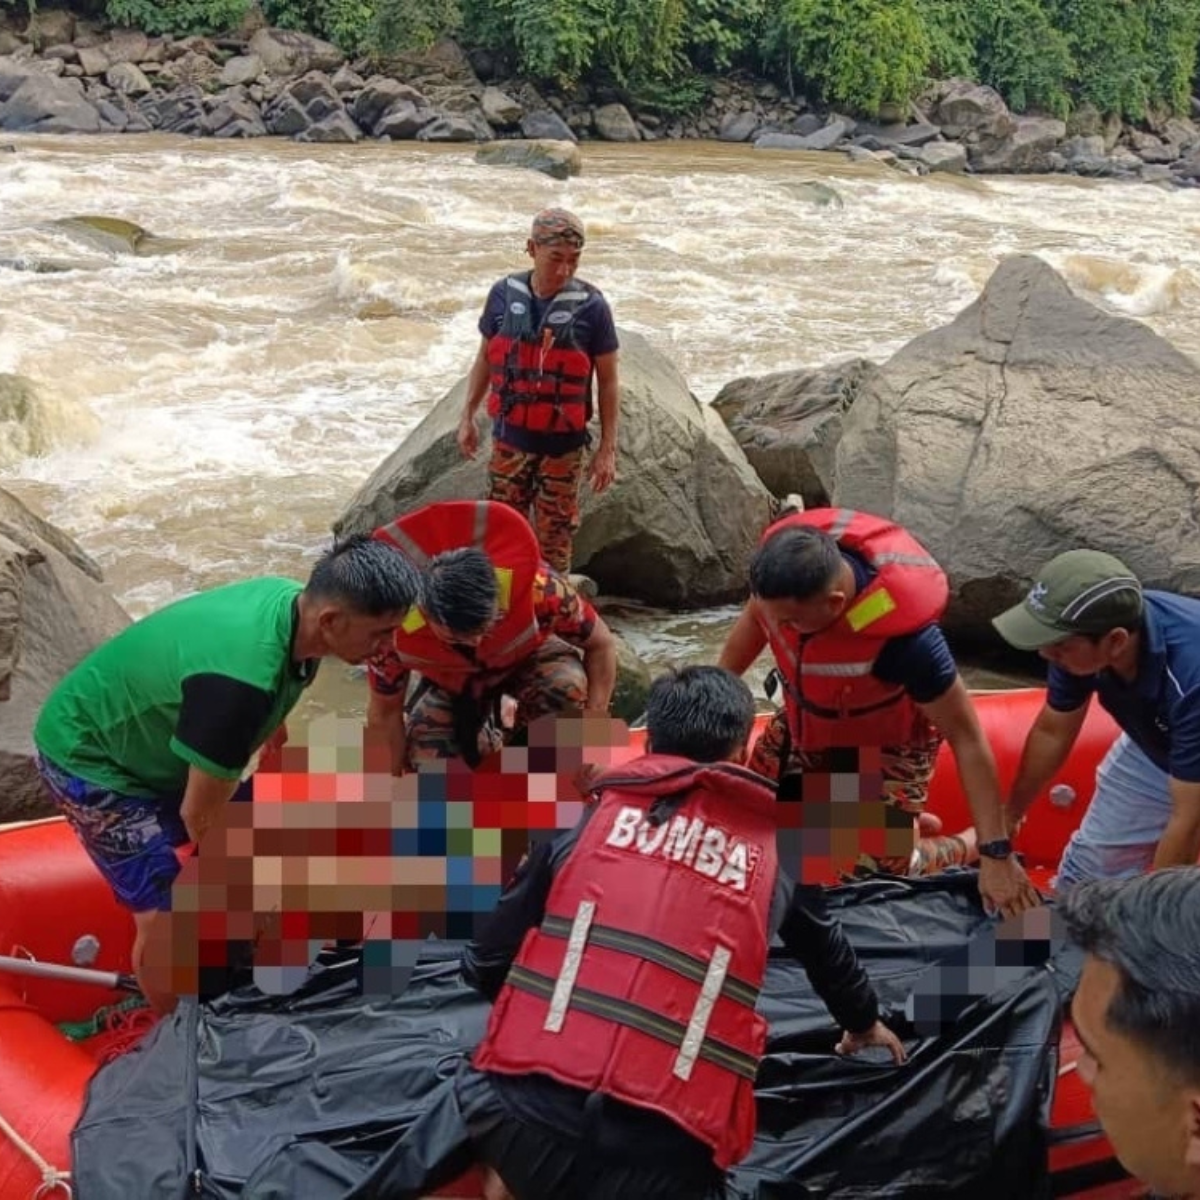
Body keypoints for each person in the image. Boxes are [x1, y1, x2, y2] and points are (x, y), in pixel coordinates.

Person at [453, 664, 906, 1200]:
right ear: (740, 752)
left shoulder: (577, 829)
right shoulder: (781, 850)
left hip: (522, 1122)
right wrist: (862, 1022)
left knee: (506, 1151)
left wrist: (545, 1005)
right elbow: (824, 949)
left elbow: (483, 965)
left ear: (653, 743)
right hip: (664, 1163)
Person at [32, 536, 424, 1012]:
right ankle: (171, 1055)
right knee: (164, 922)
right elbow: (201, 819)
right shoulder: (240, 686)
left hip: (154, 736)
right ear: (332, 620)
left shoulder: (291, 606)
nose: (390, 646)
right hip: (94, 763)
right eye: (381, 633)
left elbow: (266, 702)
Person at [718, 506, 1039, 918]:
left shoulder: (909, 644)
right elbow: (754, 622)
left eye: (790, 622)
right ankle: (897, 823)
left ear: (834, 604)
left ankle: (959, 842)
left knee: (866, 874)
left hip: (883, 746)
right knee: (746, 816)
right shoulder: (782, 584)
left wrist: (996, 853)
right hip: (807, 717)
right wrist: (710, 703)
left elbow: (967, 737)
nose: (779, 626)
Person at [993, 548, 1200, 887]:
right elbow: (1052, 732)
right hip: (1159, 745)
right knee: (1085, 878)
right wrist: (1010, 814)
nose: (1046, 654)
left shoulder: (1190, 677)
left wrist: (1154, 919)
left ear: (1116, 641)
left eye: (1058, 647)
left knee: (1164, 910)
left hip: (1187, 730)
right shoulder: (1084, 633)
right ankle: (1050, 932)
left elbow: (1188, 819)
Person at [366, 499, 617, 773]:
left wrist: (594, 732)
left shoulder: (540, 589)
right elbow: (385, 713)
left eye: (487, 627)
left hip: (529, 657)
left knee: (565, 687)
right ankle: (489, 741)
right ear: (426, 615)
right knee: (429, 762)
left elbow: (601, 644)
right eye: (460, 638)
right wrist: (389, 783)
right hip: (455, 682)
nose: (476, 642)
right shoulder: (391, 631)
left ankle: (533, 758)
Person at [455, 207, 620, 575]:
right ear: (531, 248)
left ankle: (553, 615)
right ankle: (499, 613)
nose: (564, 270)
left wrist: (607, 449)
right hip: (509, 441)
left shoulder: (593, 307)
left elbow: (608, 381)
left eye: (574, 261)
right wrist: (466, 416)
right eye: (555, 258)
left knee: (555, 536)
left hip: (563, 448)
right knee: (501, 531)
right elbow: (485, 357)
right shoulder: (502, 295)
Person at [1059, 867, 1200, 1198]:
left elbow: (1184, 828)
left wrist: (992, 850)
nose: (1082, 1071)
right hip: (1102, 911)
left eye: (1095, 1057)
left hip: (1074, 911)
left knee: (931, 998)